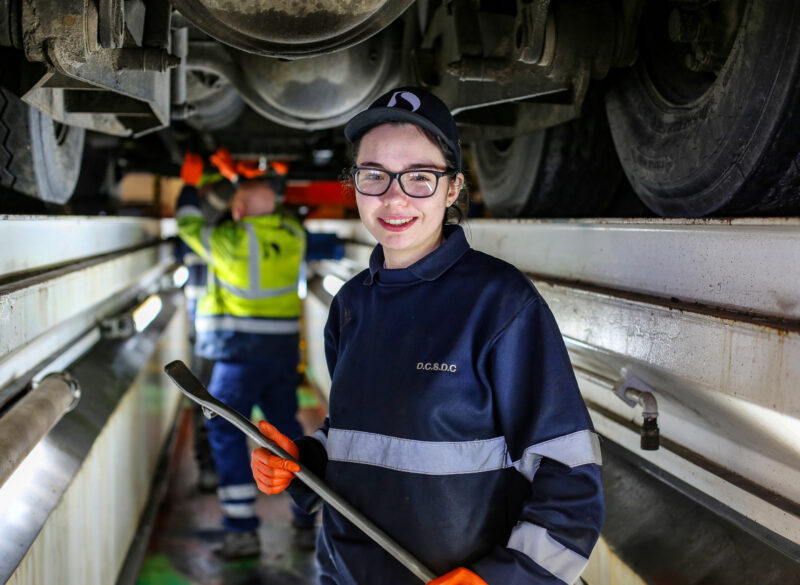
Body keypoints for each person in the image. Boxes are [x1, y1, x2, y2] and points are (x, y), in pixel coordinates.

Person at [250, 86, 605, 584]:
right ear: (354, 184)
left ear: (453, 188)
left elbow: (570, 479)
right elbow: (359, 440)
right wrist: (303, 463)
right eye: (374, 176)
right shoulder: (351, 305)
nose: (394, 198)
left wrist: (499, 579)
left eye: (419, 177)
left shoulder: (500, 303)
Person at [177, 178, 316, 558]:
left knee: (224, 428)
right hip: (282, 355)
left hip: (237, 355)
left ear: (238, 211)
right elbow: (283, 211)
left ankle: (241, 531)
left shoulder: (230, 240)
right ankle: (306, 521)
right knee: (286, 434)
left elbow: (187, 225)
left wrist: (191, 187)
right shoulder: (294, 236)